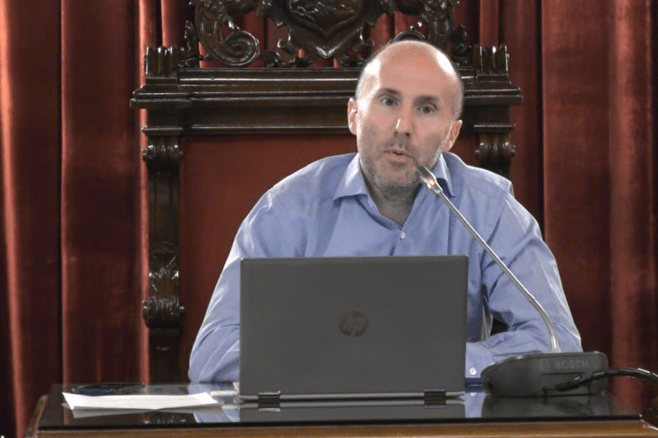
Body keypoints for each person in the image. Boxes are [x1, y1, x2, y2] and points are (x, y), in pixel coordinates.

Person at [189, 39, 582, 383]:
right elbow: (213, 353)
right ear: (353, 115)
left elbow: (556, 341)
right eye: (388, 101)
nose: (402, 126)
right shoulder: (288, 208)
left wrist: (435, 363)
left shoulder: (489, 208)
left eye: (426, 108)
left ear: (451, 135)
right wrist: (349, 366)